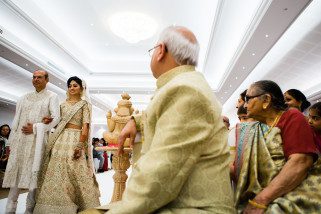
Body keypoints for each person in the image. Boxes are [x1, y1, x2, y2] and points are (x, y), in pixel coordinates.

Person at [82, 26, 234, 213]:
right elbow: (158, 116)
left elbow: (161, 172)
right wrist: (134, 120)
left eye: (151, 50)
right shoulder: (184, 85)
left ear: (160, 50)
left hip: (193, 206)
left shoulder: (186, 90)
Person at [233, 80, 320, 213]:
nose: (245, 104)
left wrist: (260, 201)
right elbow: (243, 171)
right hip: (262, 194)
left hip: (294, 190)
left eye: (248, 99)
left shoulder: (292, 116)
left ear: (266, 100)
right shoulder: (253, 129)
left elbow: (300, 162)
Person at [34, 76, 100, 213]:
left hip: (75, 138)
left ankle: (80, 202)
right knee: (57, 169)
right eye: (70, 85)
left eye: (75, 85)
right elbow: (57, 122)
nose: (72, 88)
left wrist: (80, 145)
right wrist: (48, 120)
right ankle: (57, 203)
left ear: (81, 88)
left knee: (74, 169)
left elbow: (85, 126)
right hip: (60, 138)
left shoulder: (85, 104)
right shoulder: (62, 105)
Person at [2, 70, 60, 214]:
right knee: (15, 176)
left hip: (37, 142)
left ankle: (29, 211)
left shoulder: (52, 96)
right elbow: (15, 122)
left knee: (34, 180)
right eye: (33, 77)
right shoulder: (23, 98)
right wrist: (10, 144)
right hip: (20, 142)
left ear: (47, 80)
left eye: (39, 77)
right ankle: (9, 210)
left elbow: (56, 118)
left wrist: (36, 127)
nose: (35, 79)